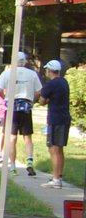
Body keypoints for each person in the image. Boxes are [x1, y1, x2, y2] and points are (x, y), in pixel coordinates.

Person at [0, 53, 43, 176]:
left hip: (12, 107)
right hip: (26, 106)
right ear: (25, 61)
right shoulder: (32, 74)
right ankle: (30, 161)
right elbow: (39, 91)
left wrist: (5, 98)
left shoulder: (6, 73)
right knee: (27, 137)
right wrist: (32, 100)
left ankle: (13, 166)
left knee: (12, 137)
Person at [39, 59, 70, 189]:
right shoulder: (64, 82)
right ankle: (59, 175)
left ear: (50, 71)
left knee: (53, 148)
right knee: (60, 148)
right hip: (65, 117)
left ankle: (56, 179)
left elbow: (42, 101)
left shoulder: (50, 85)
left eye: (47, 70)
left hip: (55, 119)